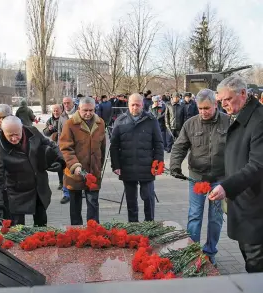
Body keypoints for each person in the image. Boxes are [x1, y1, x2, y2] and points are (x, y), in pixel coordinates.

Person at [208, 75, 263, 273]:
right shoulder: (241, 115)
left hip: (256, 209)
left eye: (227, 99)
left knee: (256, 266)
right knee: (250, 261)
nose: (223, 105)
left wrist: (226, 186)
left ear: (243, 93)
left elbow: (257, 165)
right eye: (220, 101)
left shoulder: (258, 120)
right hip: (242, 203)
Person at [170, 89, 230, 266]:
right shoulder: (191, 124)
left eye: (207, 108)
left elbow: (237, 149)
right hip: (197, 178)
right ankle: (192, 252)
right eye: (200, 108)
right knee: (195, 215)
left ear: (215, 105)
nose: (203, 112)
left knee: (216, 217)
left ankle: (210, 252)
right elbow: (179, 147)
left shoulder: (228, 122)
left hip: (220, 179)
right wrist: (174, 166)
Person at [0, 116, 65, 227]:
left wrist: (59, 160)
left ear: (22, 129)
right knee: (18, 229)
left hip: (39, 188)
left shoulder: (32, 132)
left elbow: (50, 144)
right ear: (2, 131)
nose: (14, 138)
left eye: (17, 134)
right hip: (17, 192)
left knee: (41, 226)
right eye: (10, 135)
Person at [110, 93, 164, 222]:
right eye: (132, 105)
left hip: (147, 166)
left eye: (137, 105)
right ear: (128, 105)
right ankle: (133, 226)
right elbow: (114, 146)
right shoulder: (120, 121)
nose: (135, 107)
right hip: (127, 166)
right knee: (131, 200)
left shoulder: (151, 121)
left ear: (143, 105)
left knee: (148, 197)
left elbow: (158, 143)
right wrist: (115, 165)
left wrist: (159, 162)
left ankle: (149, 224)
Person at [59, 97, 106, 225]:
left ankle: (94, 231)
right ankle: (76, 232)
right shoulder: (70, 124)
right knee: (75, 205)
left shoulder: (100, 123)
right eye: (85, 110)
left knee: (93, 204)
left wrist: (99, 166)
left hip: (93, 171)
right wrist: (75, 165)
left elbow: (102, 147)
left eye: (91, 110)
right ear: (79, 109)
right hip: (75, 172)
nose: (88, 113)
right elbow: (65, 147)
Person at [58, 96, 78, 204]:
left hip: (78, 148)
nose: (66, 105)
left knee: (80, 169)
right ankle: (66, 194)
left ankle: (82, 189)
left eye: (68, 102)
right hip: (65, 149)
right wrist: (59, 148)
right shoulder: (62, 116)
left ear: (73, 103)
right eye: (64, 103)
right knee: (66, 171)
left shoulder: (80, 113)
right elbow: (59, 134)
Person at [43, 104, 63, 190]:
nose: (55, 112)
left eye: (57, 110)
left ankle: (67, 183)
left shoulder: (64, 119)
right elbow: (45, 133)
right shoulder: (50, 120)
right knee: (60, 165)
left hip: (65, 144)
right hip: (56, 146)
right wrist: (49, 129)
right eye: (54, 110)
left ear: (61, 110)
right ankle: (61, 182)